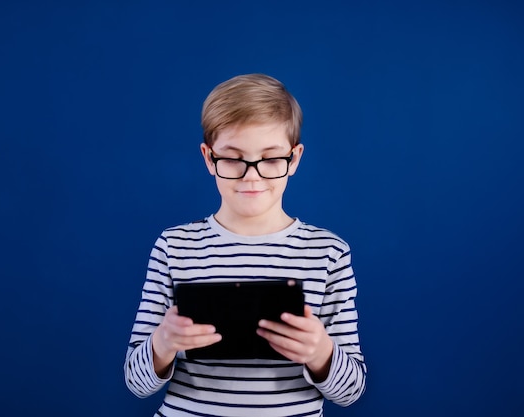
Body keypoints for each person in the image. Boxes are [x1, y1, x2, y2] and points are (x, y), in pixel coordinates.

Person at [124, 73, 366, 416]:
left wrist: (321, 353)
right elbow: (135, 382)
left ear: (294, 159)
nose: (252, 176)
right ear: (209, 158)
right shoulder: (174, 246)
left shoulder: (328, 253)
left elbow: (352, 391)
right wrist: (162, 343)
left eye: (270, 159)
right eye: (233, 158)